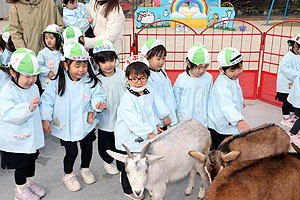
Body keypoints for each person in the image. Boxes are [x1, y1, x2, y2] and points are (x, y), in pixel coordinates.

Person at [40, 42, 107, 192]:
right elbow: (46, 101)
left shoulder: (89, 81)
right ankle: (68, 173)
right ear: (66, 65)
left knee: (87, 147)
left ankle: (85, 168)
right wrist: (45, 119)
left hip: (85, 123)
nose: (81, 70)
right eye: (77, 66)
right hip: (65, 125)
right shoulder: (57, 82)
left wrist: (97, 105)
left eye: (84, 65)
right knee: (72, 151)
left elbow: (97, 96)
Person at [114, 55, 170, 200]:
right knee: (129, 164)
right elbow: (134, 121)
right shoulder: (127, 99)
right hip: (129, 136)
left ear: (147, 77)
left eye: (142, 78)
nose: (139, 82)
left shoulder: (148, 92)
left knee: (141, 163)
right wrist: (149, 132)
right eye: (134, 78)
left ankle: (141, 183)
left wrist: (155, 125)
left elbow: (150, 113)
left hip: (144, 134)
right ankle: (127, 188)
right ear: (127, 78)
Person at [0, 48, 45, 200]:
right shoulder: (7, 92)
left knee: (31, 160)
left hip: (31, 135)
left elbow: (39, 108)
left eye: (34, 76)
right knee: (21, 165)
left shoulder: (33, 88)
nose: (31, 80)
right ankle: (20, 190)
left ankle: (30, 183)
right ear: (13, 73)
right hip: (16, 138)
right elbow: (7, 114)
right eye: (27, 76)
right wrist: (27, 108)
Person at [93, 39, 126, 175]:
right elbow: (93, 96)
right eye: (103, 61)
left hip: (121, 117)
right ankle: (107, 160)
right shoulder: (96, 79)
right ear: (97, 62)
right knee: (106, 143)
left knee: (120, 141)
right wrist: (97, 105)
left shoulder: (122, 75)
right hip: (105, 118)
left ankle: (120, 161)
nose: (108, 65)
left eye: (111, 60)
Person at [208, 47, 250, 150]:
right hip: (221, 124)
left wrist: (241, 100)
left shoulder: (232, 78)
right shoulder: (221, 85)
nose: (237, 72)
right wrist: (239, 120)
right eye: (232, 70)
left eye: (239, 68)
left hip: (229, 120)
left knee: (228, 146)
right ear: (222, 69)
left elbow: (237, 91)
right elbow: (226, 106)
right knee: (220, 147)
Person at [173, 43, 213, 127]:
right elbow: (175, 98)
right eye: (198, 68)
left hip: (202, 119)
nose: (202, 71)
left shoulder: (208, 78)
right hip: (184, 118)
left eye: (205, 67)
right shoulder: (182, 79)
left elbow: (211, 98)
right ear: (188, 63)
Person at [141, 39, 177, 131]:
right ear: (146, 57)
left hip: (166, 118)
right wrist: (161, 117)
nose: (161, 62)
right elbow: (153, 100)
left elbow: (169, 95)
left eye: (163, 58)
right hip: (157, 120)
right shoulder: (146, 76)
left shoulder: (162, 72)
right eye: (158, 59)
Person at [275, 32, 300, 128]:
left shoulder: (298, 56)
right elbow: (286, 70)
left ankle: (292, 115)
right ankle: (285, 118)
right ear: (295, 45)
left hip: (295, 83)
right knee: (286, 101)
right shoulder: (288, 57)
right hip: (286, 84)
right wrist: (298, 75)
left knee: (294, 100)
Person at [37, 24, 63, 92]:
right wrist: (48, 72)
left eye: (51, 38)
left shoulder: (62, 51)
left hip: (60, 82)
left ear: (58, 39)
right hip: (46, 84)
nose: (48, 40)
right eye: (46, 38)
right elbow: (39, 65)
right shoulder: (42, 53)